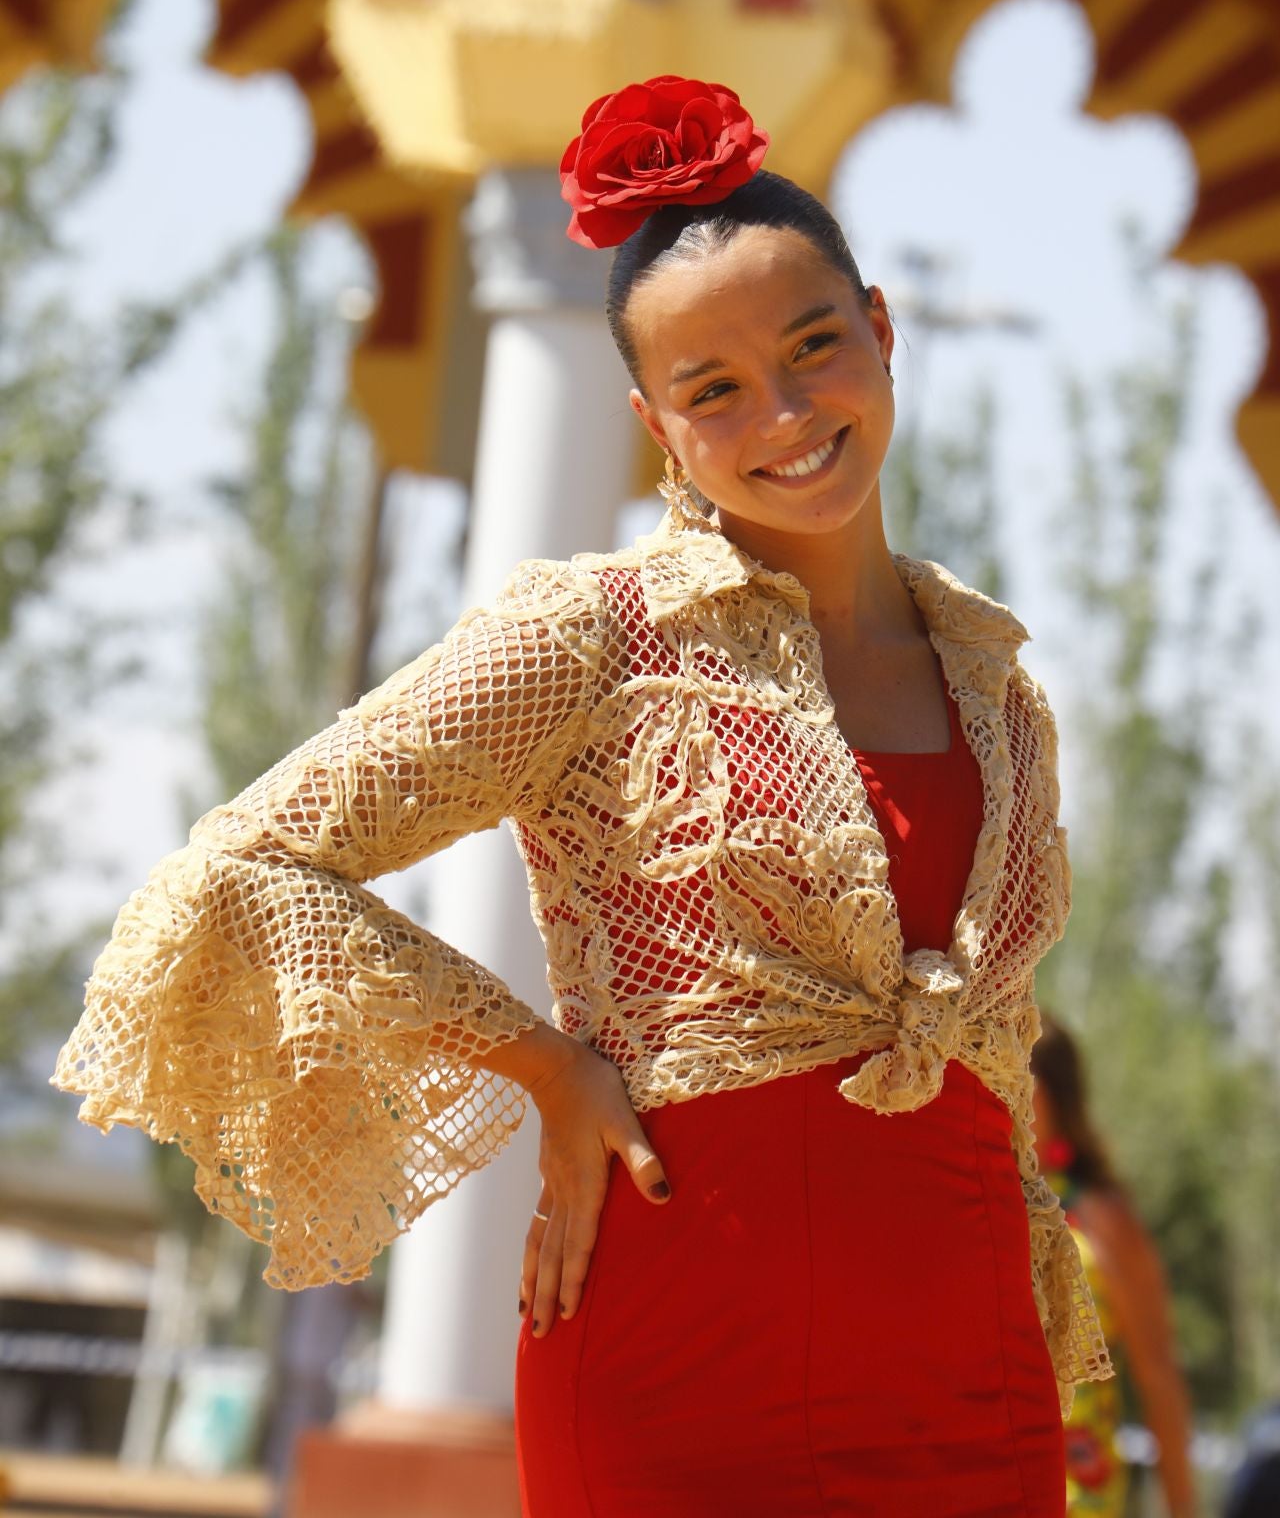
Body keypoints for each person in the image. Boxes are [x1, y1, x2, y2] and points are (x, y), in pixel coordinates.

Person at [55, 74, 1111, 1516]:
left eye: (814, 346)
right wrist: (547, 1068)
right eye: (714, 389)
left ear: (883, 325)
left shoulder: (1000, 684)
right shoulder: (592, 636)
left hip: (966, 1365)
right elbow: (249, 864)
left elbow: (993, 1056)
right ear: (651, 423)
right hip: (682, 1356)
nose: (785, 414)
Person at [1031, 1013, 1195, 1518]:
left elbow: (1159, 1376)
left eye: (1018, 1072)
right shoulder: (972, 1200)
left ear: (1056, 1095)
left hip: (1081, 1500)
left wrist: (1184, 1510)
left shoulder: (1101, 1216)